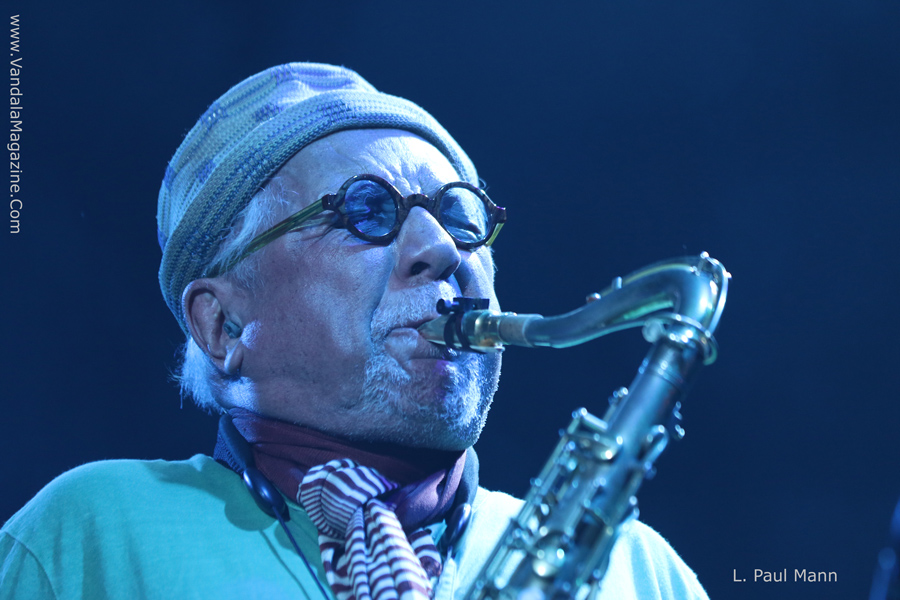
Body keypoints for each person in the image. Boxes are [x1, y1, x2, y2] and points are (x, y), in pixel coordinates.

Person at [0, 63, 708, 600]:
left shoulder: (638, 571)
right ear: (222, 323)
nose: (442, 249)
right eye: (366, 210)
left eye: (461, 216)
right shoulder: (91, 534)